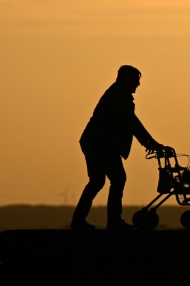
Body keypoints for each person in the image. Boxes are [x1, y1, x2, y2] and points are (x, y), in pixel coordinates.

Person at [71, 65, 168, 230]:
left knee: (98, 181)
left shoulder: (119, 95)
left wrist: (151, 143)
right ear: (126, 80)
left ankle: (81, 220)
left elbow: (131, 122)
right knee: (116, 179)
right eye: (136, 81)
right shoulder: (118, 97)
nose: (138, 85)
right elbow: (132, 123)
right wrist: (152, 144)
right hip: (100, 144)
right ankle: (113, 221)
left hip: (97, 143)